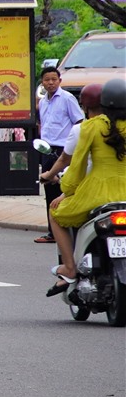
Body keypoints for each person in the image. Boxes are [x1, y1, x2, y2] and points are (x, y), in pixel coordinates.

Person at [46, 78, 126, 297]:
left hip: (98, 193)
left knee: (56, 213)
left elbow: (77, 166)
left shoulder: (90, 127)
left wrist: (66, 191)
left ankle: (70, 268)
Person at [34, 64, 84, 244]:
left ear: (60, 81)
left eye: (54, 80)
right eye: (47, 80)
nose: (50, 83)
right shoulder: (43, 101)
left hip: (65, 150)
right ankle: (53, 232)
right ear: (42, 82)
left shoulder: (67, 98)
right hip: (47, 149)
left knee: (67, 188)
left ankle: (68, 229)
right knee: (49, 189)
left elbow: (79, 122)